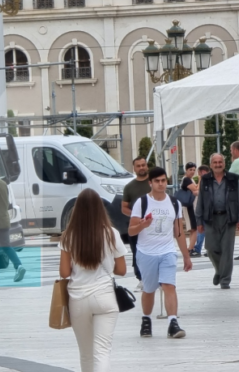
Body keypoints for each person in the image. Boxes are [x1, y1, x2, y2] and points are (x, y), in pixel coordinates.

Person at [59, 188, 127, 372]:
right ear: (100, 208)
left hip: (78, 299)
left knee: (86, 353)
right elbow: (121, 270)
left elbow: (64, 272)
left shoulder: (68, 236)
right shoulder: (111, 233)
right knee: (102, 352)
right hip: (105, 297)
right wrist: (105, 262)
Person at [129, 167, 192, 338]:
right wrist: (142, 225)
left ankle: (173, 323)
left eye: (163, 180)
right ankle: (146, 319)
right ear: (150, 183)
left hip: (167, 251)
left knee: (169, 286)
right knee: (149, 289)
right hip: (146, 252)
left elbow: (178, 232)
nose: (161, 184)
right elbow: (131, 231)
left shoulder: (174, 203)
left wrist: (186, 256)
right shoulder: (141, 203)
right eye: (157, 181)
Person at [195, 154, 239, 289]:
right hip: (211, 218)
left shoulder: (233, 179)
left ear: (224, 163)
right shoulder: (205, 180)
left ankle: (225, 280)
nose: (218, 164)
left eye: (220, 162)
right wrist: (199, 221)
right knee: (210, 249)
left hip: (229, 218)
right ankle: (219, 270)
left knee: (227, 250)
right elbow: (200, 201)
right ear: (211, 165)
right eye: (215, 162)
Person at [121, 156, 151, 292]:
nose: (141, 168)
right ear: (134, 168)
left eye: (143, 165)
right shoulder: (129, 187)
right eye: (138, 166)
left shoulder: (153, 183)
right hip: (136, 226)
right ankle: (141, 279)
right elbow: (124, 207)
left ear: (147, 166)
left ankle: (155, 278)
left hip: (153, 226)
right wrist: (136, 217)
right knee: (137, 253)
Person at [180, 162, 201, 257]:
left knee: (193, 228)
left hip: (191, 206)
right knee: (194, 228)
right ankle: (190, 249)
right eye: (190, 170)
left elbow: (196, 191)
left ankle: (190, 248)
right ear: (186, 170)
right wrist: (200, 180)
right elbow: (195, 189)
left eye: (194, 170)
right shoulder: (187, 180)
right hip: (189, 207)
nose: (192, 172)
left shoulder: (190, 179)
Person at [192, 165, 211, 256]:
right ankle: (201, 248)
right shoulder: (206, 180)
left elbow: (198, 191)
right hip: (204, 209)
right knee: (203, 230)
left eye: (200, 173)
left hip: (207, 209)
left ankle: (202, 249)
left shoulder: (207, 181)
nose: (199, 175)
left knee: (205, 230)